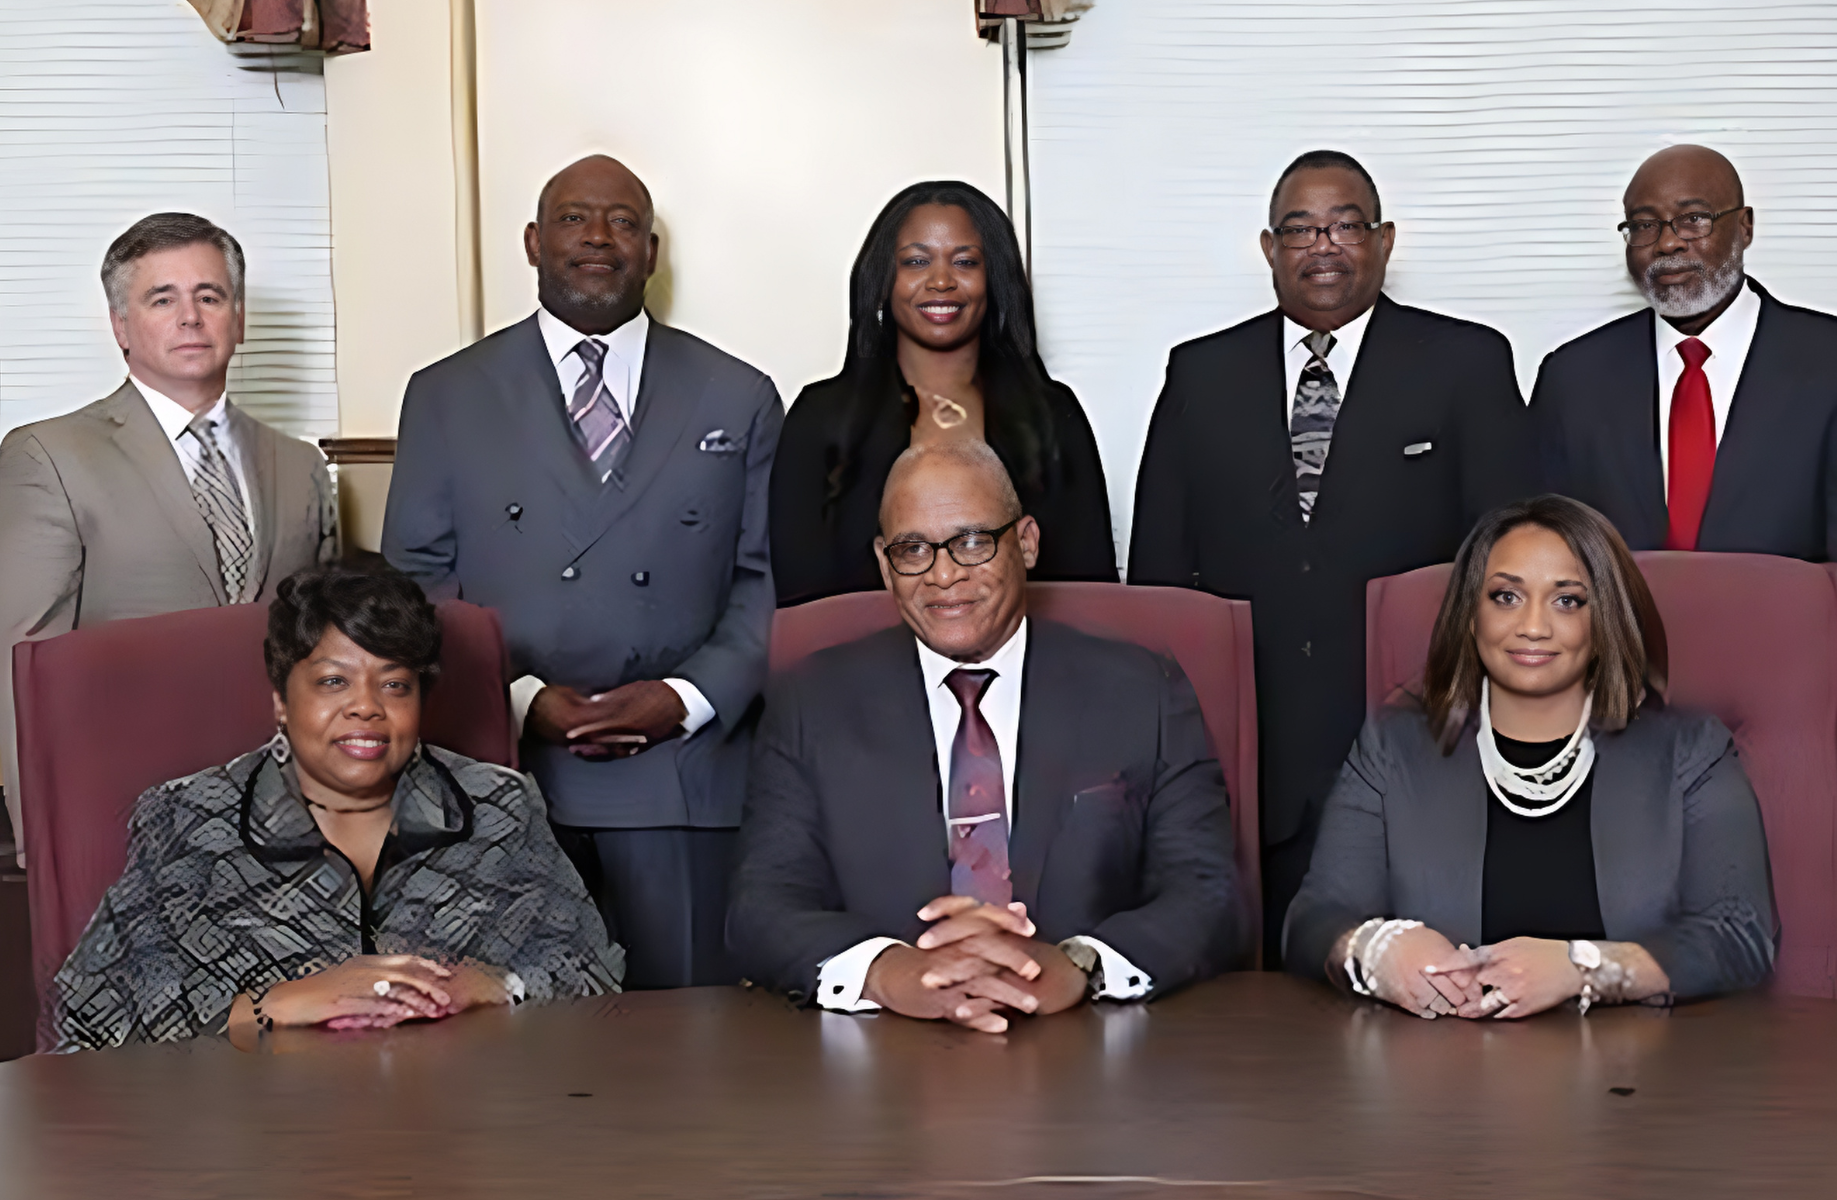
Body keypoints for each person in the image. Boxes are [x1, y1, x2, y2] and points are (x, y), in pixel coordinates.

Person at [1128, 150, 1538, 961]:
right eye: (1300, 229)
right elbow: (1161, 579)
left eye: (1346, 225)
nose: (1324, 245)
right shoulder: (1201, 373)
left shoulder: (1466, 362)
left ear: (1385, 241)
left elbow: (1511, 561)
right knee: (1261, 990)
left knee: (1431, 974)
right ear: (1268, 248)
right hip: (1253, 757)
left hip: (1423, 742)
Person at [383, 155, 781, 989]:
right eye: (573, 219)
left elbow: (766, 581)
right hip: (499, 771)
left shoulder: (737, 394)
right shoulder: (447, 394)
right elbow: (418, 583)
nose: (598, 237)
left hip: (684, 776)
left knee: (692, 1036)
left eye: (623, 222)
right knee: (516, 1039)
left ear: (652, 252)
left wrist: (685, 698)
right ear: (533, 243)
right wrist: (522, 699)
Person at [729, 441, 1241, 1033]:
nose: (944, 575)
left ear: (1026, 542)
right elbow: (761, 906)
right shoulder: (811, 700)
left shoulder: (1143, 690)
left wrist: (1081, 964)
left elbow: (1207, 891)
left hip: (1091, 1042)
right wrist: (887, 971)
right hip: (880, 1046)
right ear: (884, 564)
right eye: (912, 550)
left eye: (972, 541)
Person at [51, 567, 620, 1052]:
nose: (366, 707)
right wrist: (273, 1006)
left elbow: (594, 974)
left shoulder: (498, 806)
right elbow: (89, 1017)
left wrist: (497, 986)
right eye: (333, 681)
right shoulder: (192, 819)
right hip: (262, 1130)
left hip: (463, 1124)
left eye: (394, 685)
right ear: (281, 700)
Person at [1283, 495, 1776, 1018]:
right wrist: (1376, 951)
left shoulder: (1689, 753)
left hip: (1635, 1062)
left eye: (1567, 601)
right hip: (1440, 1059)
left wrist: (1588, 969)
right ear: (1471, 615)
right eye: (1506, 597)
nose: (1533, 626)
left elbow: (1740, 935)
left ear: (1605, 620)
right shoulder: (1393, 748)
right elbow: (1315, 918)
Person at [0, 212, 337, 861]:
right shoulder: (50, 456)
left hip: (289, 816)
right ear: (121, 325)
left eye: (210, 296)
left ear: (239, 318)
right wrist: (48, 841)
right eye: (162, 299)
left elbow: (328, 653)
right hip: (126, 816)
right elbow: (20, 668)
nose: (190, 318)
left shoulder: (300, 465)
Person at [1532, 144, 1837, 678]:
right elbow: (1546, 557)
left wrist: (1818, 698)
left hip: (1786, 689)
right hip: (1614, 696)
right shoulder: (1572, 377)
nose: (1667, 242)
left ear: (1745, 227)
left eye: (1693, 219)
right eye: (1643, 225)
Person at [770, 181, 1116, 605]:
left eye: (965, 262)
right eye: (916, 261)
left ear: (994, 280)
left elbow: (1092, 593)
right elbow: (797, 604)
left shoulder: (1053, 413)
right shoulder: (820, 417)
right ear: (883, 280)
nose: (940, 281)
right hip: (857, 647)